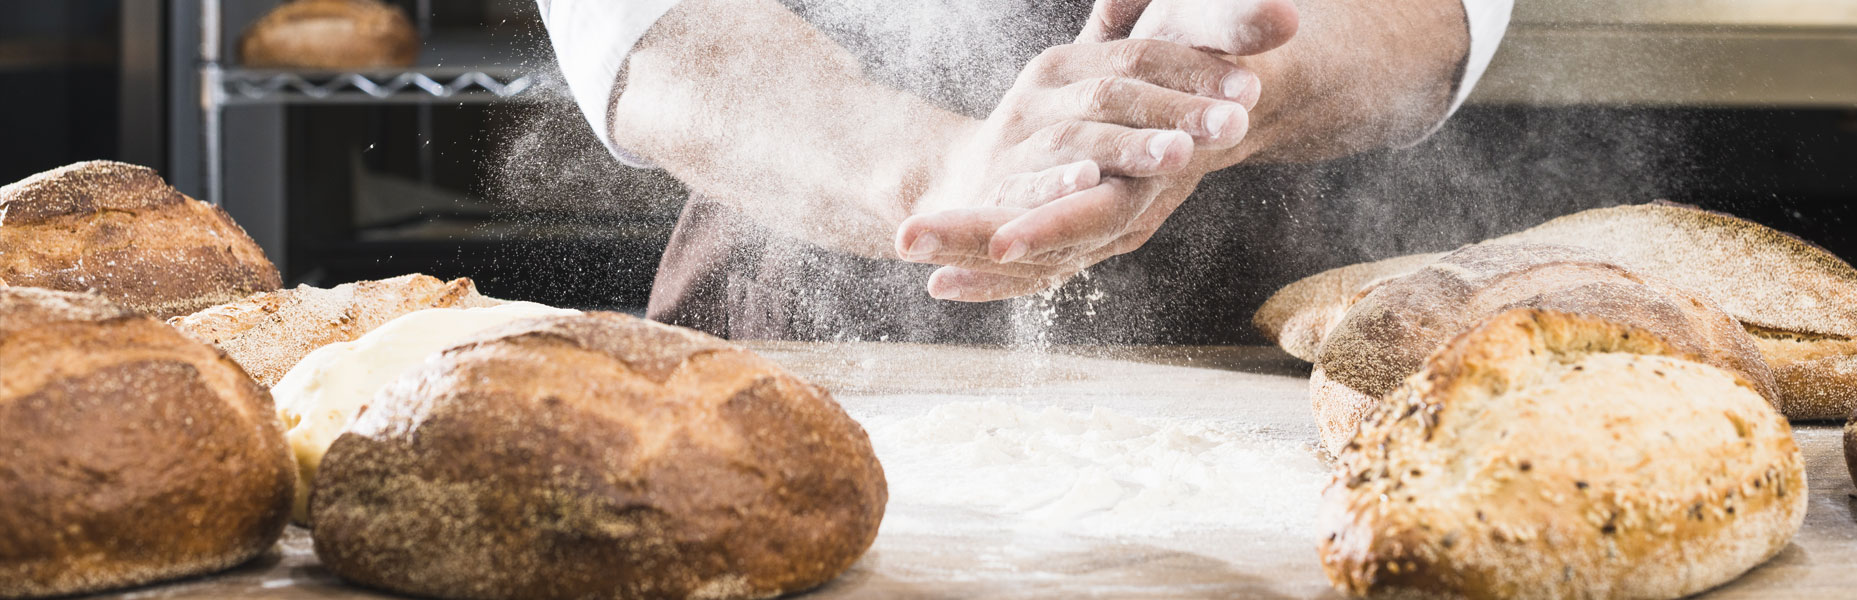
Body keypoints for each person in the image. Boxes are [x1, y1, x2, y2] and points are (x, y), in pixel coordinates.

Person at [537, 0, 1512, 344]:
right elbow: (648, 30)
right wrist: (933, 170)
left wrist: (1212, 83)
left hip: (1236, 338)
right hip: (778, 337)